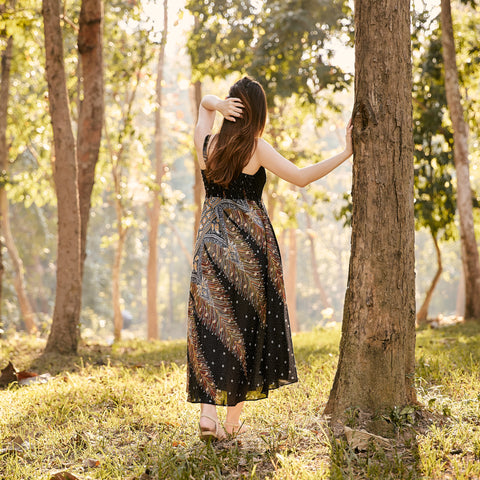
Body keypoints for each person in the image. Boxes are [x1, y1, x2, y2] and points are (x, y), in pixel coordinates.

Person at [187, 76, 353, 441]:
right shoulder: (256, 148)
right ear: (258, 112)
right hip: (249, 249)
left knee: (210, 326)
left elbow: (202, 110)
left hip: (210, 246)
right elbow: (302, 177)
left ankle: (207, 415)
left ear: (232, 109)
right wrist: (345, 152)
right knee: (245, 330)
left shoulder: (207, 144)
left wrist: (214, 102)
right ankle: (232, 424)